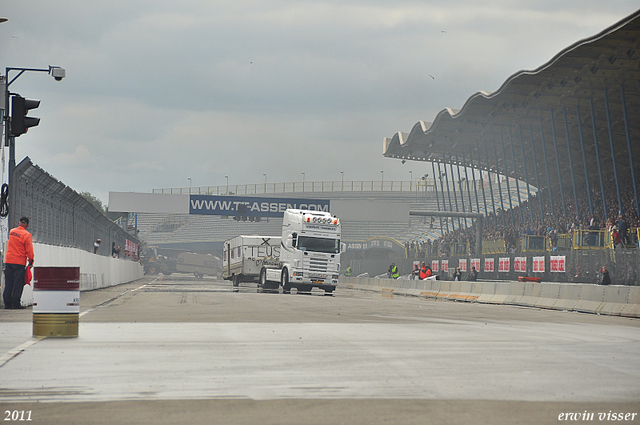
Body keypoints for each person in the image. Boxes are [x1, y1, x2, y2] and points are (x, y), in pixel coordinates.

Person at [3, 217, 35, 309]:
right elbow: (29, 249)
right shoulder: (27, 234)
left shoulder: (12, 232)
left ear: (18, 223)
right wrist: (31, 260)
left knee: (8, 283)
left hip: (8, 260)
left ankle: (7, 304)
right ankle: (15, 304)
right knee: (18, 284)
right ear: (27, 225)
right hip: (19, 262)